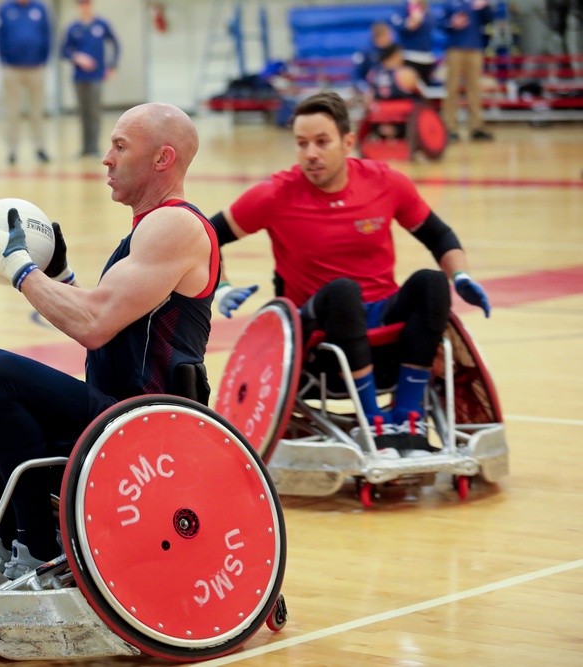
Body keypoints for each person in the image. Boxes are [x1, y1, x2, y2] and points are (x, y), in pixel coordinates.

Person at [0, 103, 219, 578]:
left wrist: (21, 269)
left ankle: (36, 550)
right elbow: (114, 323)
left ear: (163, 159)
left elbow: (95, 324)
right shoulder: (150, 229)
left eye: (120, 147)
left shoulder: (177, 225)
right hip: (112, 409)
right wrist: (60, 277)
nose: (106, 158)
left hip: (147, 425)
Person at [209, 92, 491, 456]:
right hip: (317, 337)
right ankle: (372, 420)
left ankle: (408, 416)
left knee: (432, 283)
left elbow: (439, 236)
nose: (311, 153)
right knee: (343, 291)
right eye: (301, 144)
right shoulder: (275, 194)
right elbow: (206, 234)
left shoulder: (385, 182)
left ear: (348, 142)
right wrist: (221, 286)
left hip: (383, 326)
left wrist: (462, 276)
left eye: (322, 142)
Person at [0, 0, 52, 165]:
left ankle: (39, 148)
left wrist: (43, 60)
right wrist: (4, 60)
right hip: (12, 68)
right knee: (12, 111)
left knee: (37, 111)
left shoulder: (40, 8)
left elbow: (47, 34)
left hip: (36, 68)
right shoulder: (4, 8)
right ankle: (12, 149)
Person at [60, 0, 120, 158]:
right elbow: (64, 50)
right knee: (83, 112)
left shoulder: (101, 25)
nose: (84, 7)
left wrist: (112, 66)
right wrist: (77, 57)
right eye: (81, 4)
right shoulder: (74, 28)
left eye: (87, 4)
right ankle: (84, 148)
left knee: (94, 111)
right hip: (79, 76)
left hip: (96, 75)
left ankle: (94, 147)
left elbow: (115, 44)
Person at [442, 0, 495, 141]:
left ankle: (476, 127)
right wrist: (453, 23)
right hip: (455, 49)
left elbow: (489, 20)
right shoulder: (450, 3)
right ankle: (450, 127)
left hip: (475, 48)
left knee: (474, 89)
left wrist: (484, 7)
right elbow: (441, 24)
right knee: (452, 88)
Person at [391, 0, 438, 87]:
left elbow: (432, 25)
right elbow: (399, 27)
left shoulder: (425, 8)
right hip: (410, 56)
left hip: (426, 57)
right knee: (411, 89)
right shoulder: (402, 8)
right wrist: (411, 23)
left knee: (427, 90)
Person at [352, 22, 395, 96]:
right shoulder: (366, 52)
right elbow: (356, 76)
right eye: (388, 35)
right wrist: (365, 89)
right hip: (371, 90)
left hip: (391, 89)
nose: (391, 38)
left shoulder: (393, 51)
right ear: (380, 36)